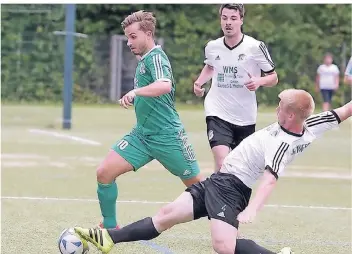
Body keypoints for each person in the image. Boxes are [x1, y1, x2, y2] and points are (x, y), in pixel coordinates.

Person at [73, 89, 351, 254]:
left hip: (232, 187)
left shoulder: (282, 143)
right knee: (167, 215)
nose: (276, 109)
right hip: (219, 181)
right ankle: (108, 239)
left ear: (290, 115)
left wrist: (252, 209)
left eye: (280, 107)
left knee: (224, 247)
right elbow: (343, 111)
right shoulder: (311, 124)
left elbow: (268, 180)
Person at [96, 10, 204, 230]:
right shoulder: (145, 59)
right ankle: (110, 227)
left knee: (201, 190)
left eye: (133, 36)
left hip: (168, 137)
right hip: (142, 135)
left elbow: (164, 85)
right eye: (127, 37)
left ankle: (230, 224)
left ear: (148, 34)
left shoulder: (156, 57)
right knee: (104, 172)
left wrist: (136, 92)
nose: (128, 42)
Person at [193, 4, 278, 171]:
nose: (228, 23)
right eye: (224, 18)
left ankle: (233, 196)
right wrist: (199, 82)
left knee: (241, 167)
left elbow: (274, 77)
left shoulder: (255, 47)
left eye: (233, 18)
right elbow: (211, 67)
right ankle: (217, 197)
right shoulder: (212, 47)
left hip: (244, 115)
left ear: (241, 20)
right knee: (221, 162)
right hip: (217, 111)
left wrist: (258, 81)